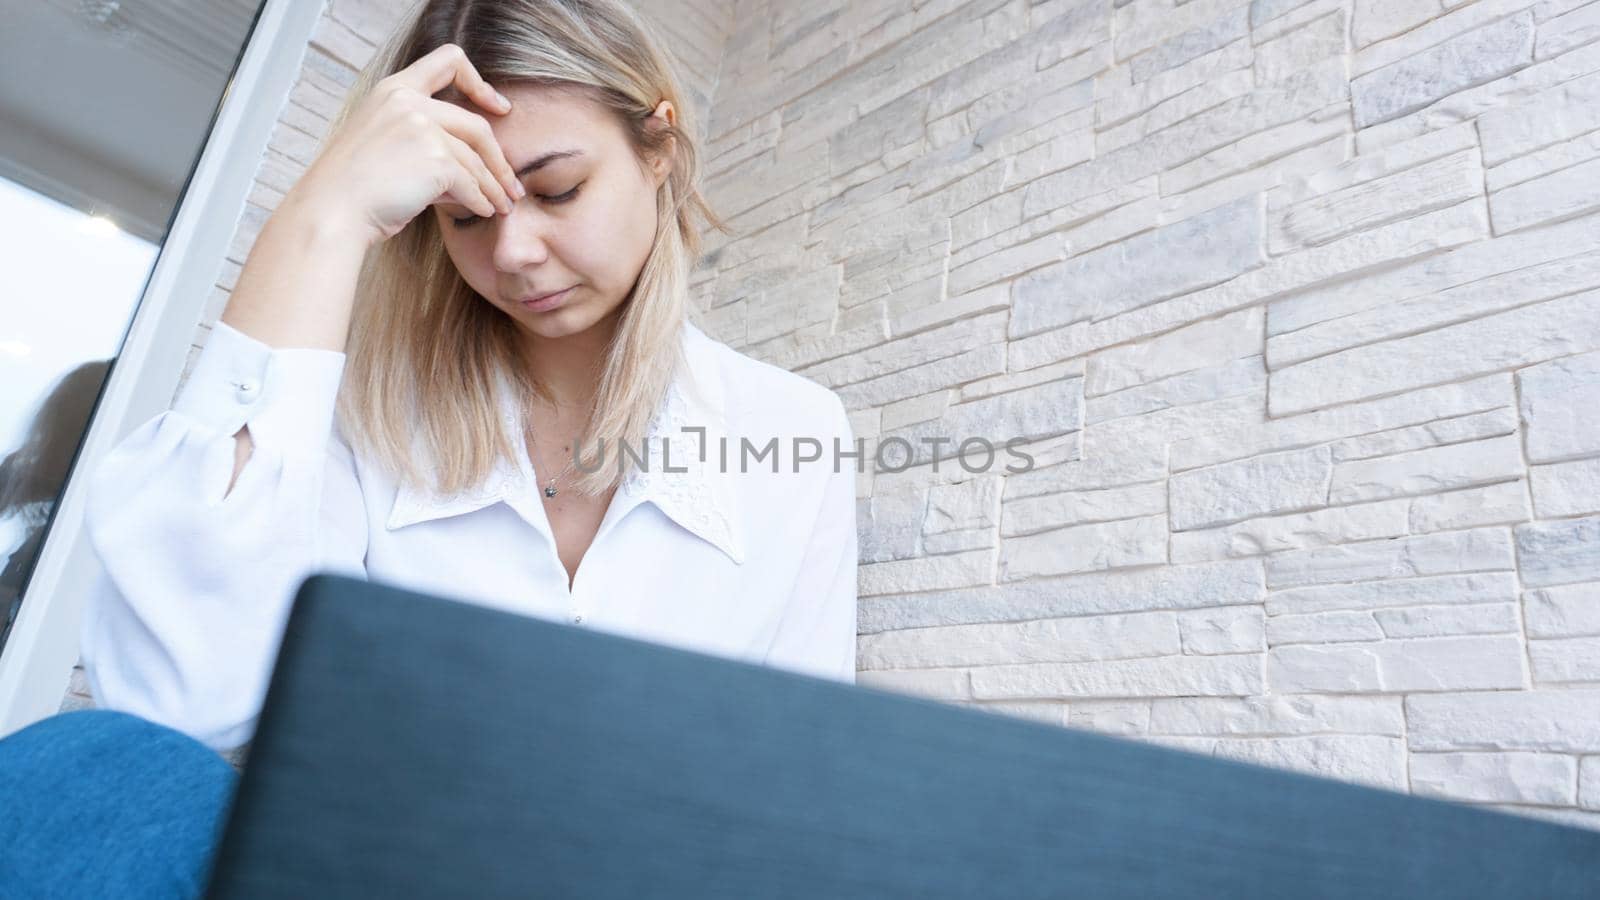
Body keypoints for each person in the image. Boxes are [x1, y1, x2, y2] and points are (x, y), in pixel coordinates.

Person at [0, 1, 858, 895]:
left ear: (659, 152)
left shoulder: (794, 427)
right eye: (465, 217)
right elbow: (178, 708)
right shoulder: (356, 416)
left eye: (558, 189)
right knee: (85, 770)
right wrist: (322, 217)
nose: (516, 253)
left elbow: (798, 780)